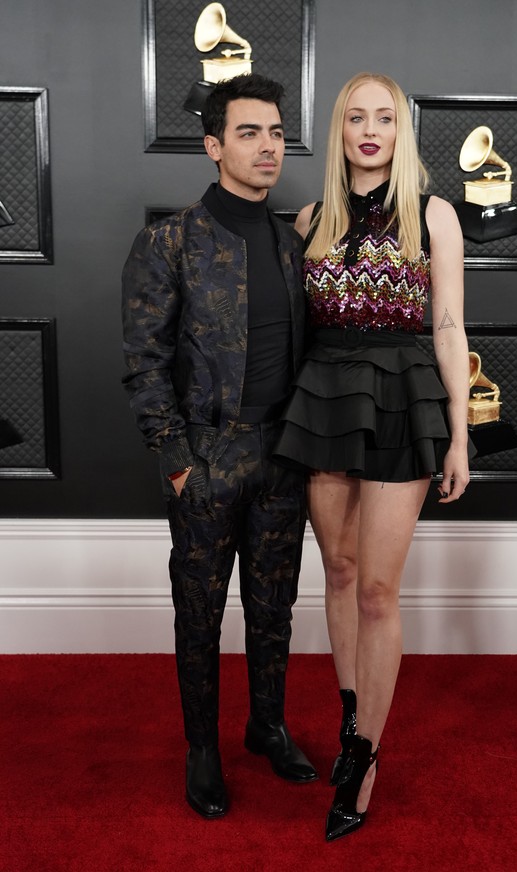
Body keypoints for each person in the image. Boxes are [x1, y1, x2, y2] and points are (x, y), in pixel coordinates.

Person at [273, 72, 471, 841]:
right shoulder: (310, 219)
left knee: (379, 591)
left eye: (384, 118)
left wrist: (459, 432)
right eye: (356, 117)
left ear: (400, 131)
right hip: (324, 394)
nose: (369, 130)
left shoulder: (434, 214)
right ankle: (355, 708)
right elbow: (289, 331)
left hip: (402, 394)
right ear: (339, 129)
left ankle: (365, 753)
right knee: (342, 572)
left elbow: (449, 325)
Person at [121, 73, 318, 820]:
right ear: (213, 146)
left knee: (276, 608)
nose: (267, 147)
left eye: (274, 132)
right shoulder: (169, 241)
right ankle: (201, 749)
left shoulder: (294, 239)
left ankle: (266, 725)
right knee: (198, 615)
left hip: (282, 457)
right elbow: (143, 361)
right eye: (248, 133)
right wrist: (177, 463)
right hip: (205, 457)